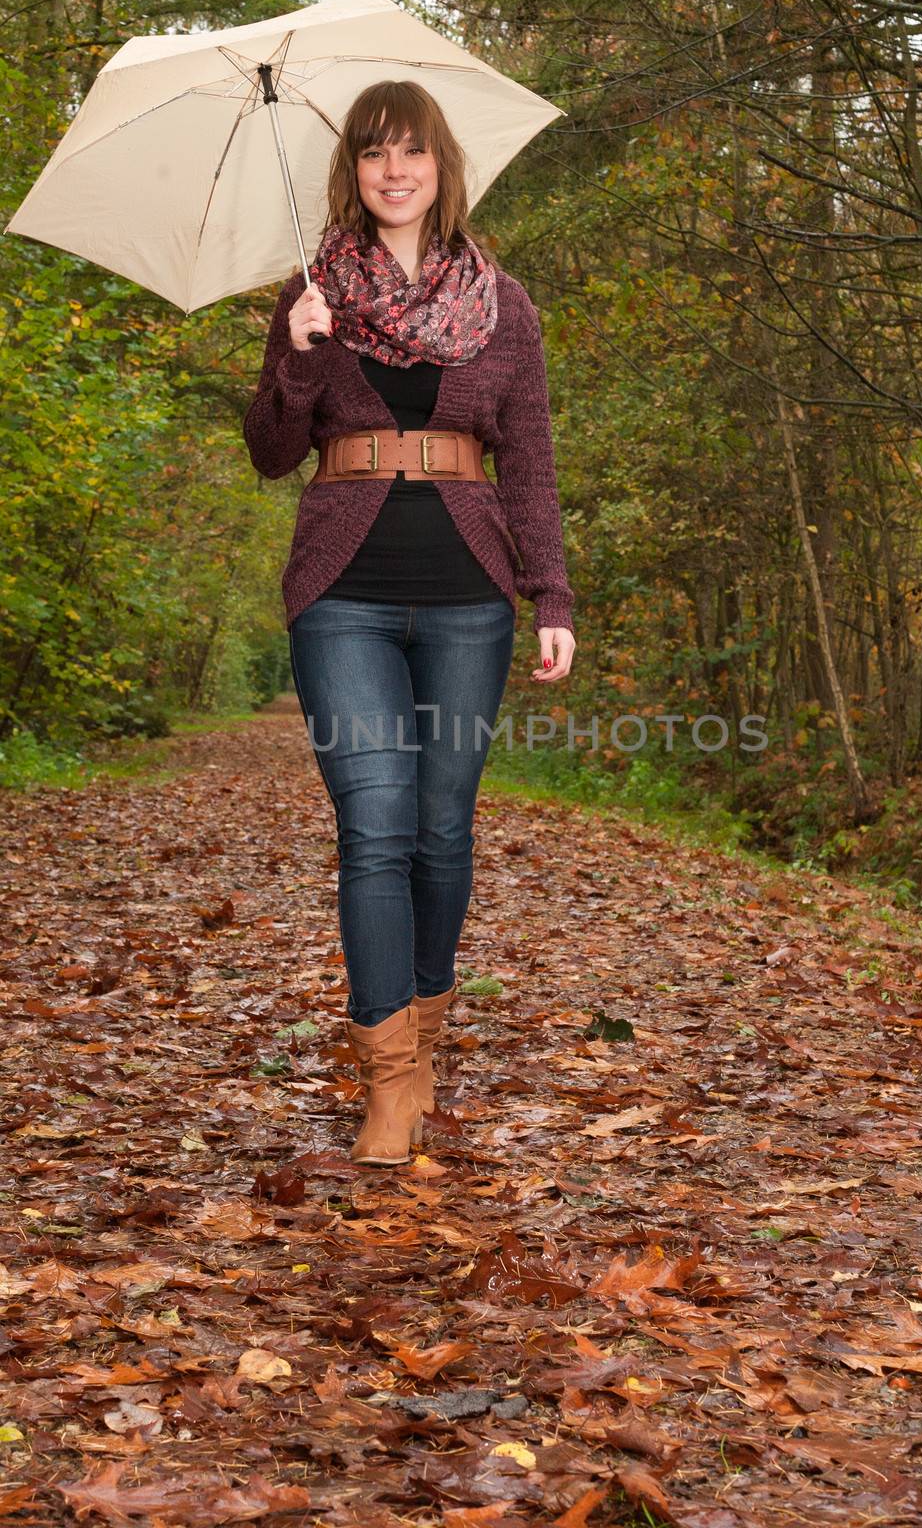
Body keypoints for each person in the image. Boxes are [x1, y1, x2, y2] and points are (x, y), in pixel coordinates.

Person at [243, 80, 576, 1168]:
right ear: (354, 170)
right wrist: (295, 355)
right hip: (340, 592)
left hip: (467, 597)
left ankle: (424, 1034)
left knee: (441, 830)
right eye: (376, 153)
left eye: (413, 152)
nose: (395, 171)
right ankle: (390, 1085)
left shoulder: (503, 303)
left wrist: (550, 597)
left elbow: (525, 460)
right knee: (375, 824)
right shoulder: (310, 293)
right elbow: (268, 451)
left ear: (443, 166)